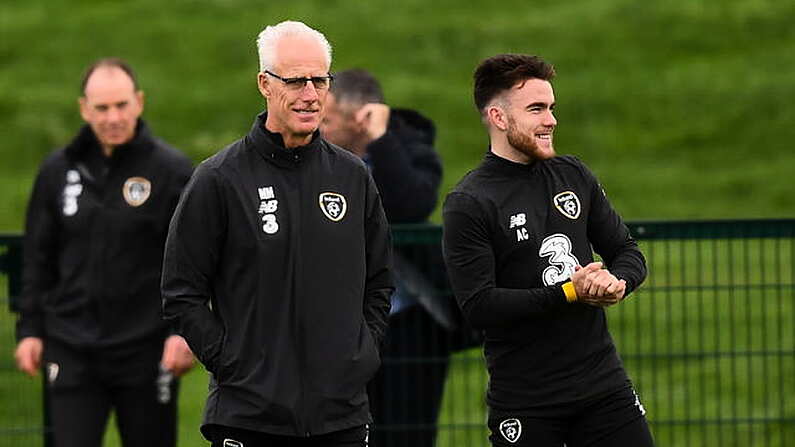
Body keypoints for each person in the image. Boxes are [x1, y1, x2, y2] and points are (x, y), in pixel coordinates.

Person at [161, 21, 393, 447]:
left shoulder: (352, 176)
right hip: (249, 418)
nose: (310, 94)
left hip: (339, 417)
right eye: (296, 80)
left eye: (319, 80)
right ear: (265, 84)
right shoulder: (219, 178)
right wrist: (235, 363)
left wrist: (361, 353)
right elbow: (181, 291)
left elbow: (379, 280)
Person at [442, 54, 654, 447]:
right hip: (527, 403)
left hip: (603, 388)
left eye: (551, 108)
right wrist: (571, 291)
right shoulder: (469, 201)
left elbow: (626, 250)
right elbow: (479, 305)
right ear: (499, 118)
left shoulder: (573, 175)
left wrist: (616, 281)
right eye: (536, 109)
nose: (551, 120)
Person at [14, 58, 195, 447]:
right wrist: (29, 329)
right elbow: (37, 257)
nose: (113, 117)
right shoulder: (57, 172)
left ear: (139, 102)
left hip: (146, 352)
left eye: (121, 105)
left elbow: (192, 262)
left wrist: (182, 333)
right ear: (84, 109)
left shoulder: (172, 171)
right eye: (102, 108)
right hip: (72, 347)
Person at [321, 68, 457, 447]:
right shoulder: (317, 161)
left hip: (408, 325)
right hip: (340, 329)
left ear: (359, 118)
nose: (319, 128)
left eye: (328, 120)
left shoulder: (410, 148)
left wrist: (381, 141)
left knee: (407, 435)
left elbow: (411, 205)